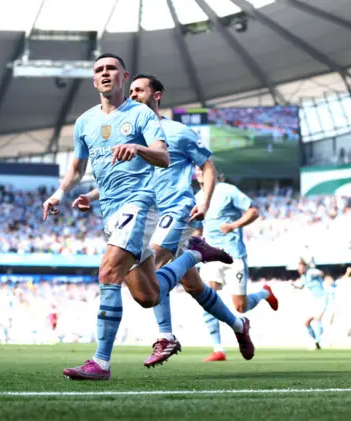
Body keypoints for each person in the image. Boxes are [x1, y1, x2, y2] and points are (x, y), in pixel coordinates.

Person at [42, 54, 236, 381]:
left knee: (107, 272)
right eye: (99, 70)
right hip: (112, 211)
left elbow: (162, 155)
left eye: (111, 69)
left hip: (140, 204)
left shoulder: (143, 115)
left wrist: (137, 148)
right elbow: (77, 168)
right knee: (148, 295)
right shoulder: (85, 122)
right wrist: (60, 193)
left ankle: (101, 362)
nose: (105, 74)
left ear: (123, 76)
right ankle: (193, 254)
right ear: (94, 81)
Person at [73, 74, 256, 367]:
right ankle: (237, 324)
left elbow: (207, 167)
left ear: (157, 95)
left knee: (154, 264)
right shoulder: (130, 131)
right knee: (193, 286)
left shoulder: (178, 132)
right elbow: (121, 178)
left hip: (173, 209)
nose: (132, 94)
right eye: (130, 90)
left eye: (139, 90)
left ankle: (166, 335)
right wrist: (92, 197)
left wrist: (204, 201)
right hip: (142, 212)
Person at [195, 170, 278, 362]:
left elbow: (253, 211)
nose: (200, 171)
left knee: (241, 307)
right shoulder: (197, 198)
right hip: (210, 254)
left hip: (233, 255)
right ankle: (218, 349)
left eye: (203, 169)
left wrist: (233, 225)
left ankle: (265, 293)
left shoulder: (228, 190)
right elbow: (198, 228)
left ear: (213, 173)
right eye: (198, 169)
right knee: (206, 296)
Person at [291, 258, 326, 350]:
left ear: (305, 267)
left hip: (321, 298)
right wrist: (294, 285)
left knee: (318, 319)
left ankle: (318, 341)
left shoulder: (311, 272)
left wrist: (316, 272)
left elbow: (320, 273)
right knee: (306, 323)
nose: (299, 270)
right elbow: (301, 286)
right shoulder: (303, 277)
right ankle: (315, 341)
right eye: (298, 268)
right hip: (313, 301)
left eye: (301, 268)